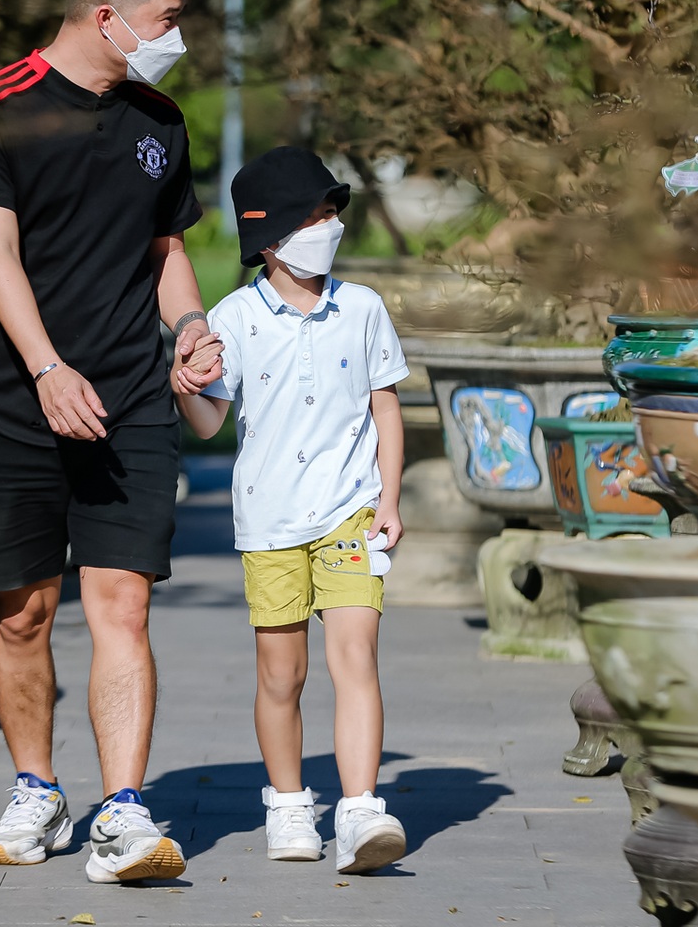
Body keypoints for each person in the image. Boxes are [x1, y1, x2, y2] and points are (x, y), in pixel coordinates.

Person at [0, 0, 224, 884]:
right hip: (15, 396)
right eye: (165, 19)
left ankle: (126, 814)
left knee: (122, 604)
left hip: (130, 398)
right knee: (23, 613)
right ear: (108, 15)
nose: (175, 36)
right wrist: (49, 369)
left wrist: (189, 334)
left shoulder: (159, 119)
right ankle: (36, 789)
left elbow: (167, 252)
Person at [173, 146, 411, 875]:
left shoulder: (362, 307)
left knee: (355, 658)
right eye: (315, 214)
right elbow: (211, 423)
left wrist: (389, 498)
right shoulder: (235, 317)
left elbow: (385, 403)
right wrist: (184, 381)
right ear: (269, 235)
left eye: (333, 211)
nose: (330, 224)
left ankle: (363, 808)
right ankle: (287, 805)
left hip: (349, 514)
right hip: (270, 524)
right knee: (283, 676)